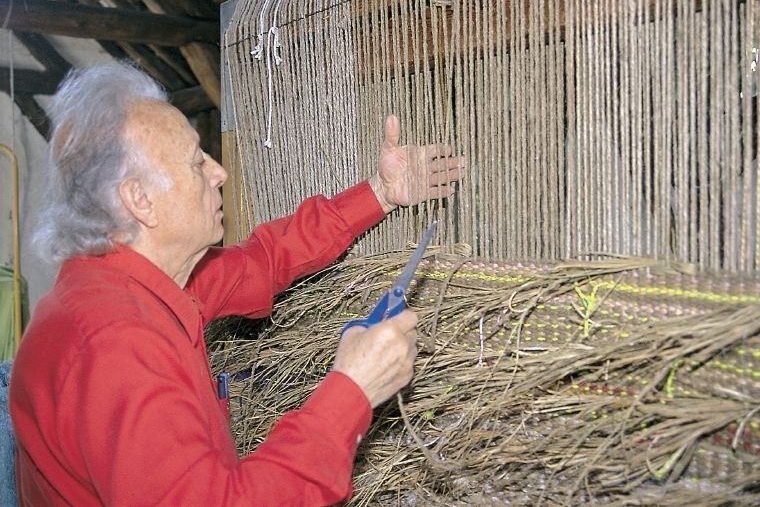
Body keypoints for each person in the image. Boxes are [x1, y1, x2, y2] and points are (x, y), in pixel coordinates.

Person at [9, 61, 463, 506]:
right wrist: (352, 391)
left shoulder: (136, 281)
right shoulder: (116, 345)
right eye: (196, 162)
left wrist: (380, 193)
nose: (219, 172)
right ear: (140, 200)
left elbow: (265, 260)